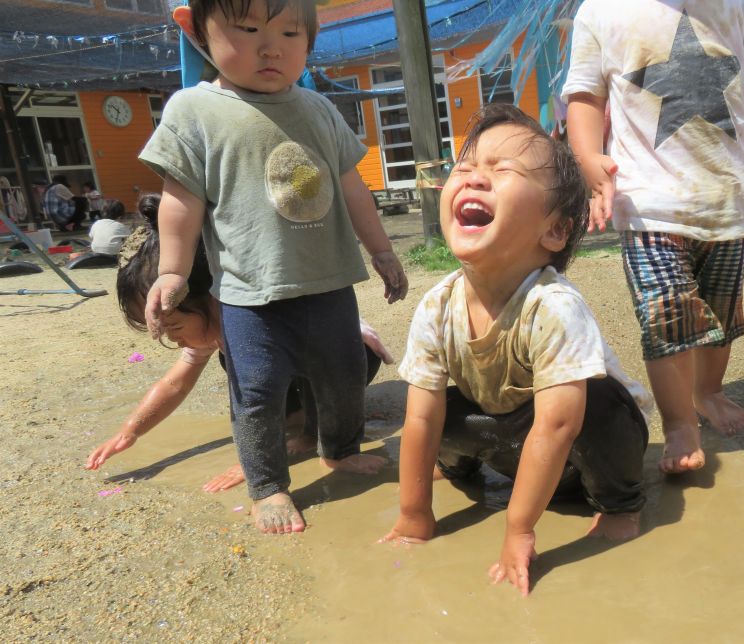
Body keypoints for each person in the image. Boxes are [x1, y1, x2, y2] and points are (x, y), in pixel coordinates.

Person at [138, 0, 409, 534]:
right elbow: (179, 200)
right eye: (247, 29)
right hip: (249, 293)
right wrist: (172, 271)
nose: (271, 47)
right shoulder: (194, 111)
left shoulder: (319, 108)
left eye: (289, 32)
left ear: (309, 39)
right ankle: (268, 484)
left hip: (329, 283)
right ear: (197, 29)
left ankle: (340, 448)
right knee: (257, 393)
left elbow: (354, 189)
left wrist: (381, 250)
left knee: (344, 376)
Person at [562, 0, 744, 474]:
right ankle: (680, 422)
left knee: (719, 313)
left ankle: (709, 391)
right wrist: (586, 156)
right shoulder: (600, 10)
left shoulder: (736, 3)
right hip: (648, 201)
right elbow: (584, 95)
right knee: (667, 316)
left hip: (727, 195)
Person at [381, 104, 654, 596]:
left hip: (583, 455)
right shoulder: (437, 305)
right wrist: (413, 511)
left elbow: (558, 425)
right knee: (432, 405)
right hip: (508, 440)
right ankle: (459, 468)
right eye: (465, 168)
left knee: (599, 405)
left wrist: (519, 529)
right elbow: (420, 419)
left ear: (554, 230)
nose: (474, 178)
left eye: (503, 170)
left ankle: (621, 503)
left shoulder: (553, 306)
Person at [85, 194, 394, 492]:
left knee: (282, 375)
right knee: (245, 368)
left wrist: (302, 441)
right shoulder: (209, 321)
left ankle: (318, 424)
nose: (174, 340)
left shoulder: (258, 309)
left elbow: (316, 361)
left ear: (212, 296)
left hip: (348, 354)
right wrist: (130, 431)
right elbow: (175, 385)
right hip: (287, 367)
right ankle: (303, 417)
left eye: (175, 326)